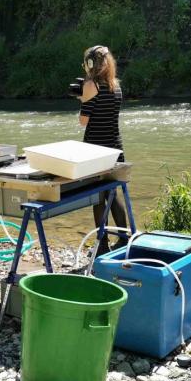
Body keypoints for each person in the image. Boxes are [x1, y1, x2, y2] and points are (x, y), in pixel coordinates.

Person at [77, 45, 128, 254]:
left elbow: (83, 121)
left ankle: (102, 245)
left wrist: (82, 100)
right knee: (113, 193)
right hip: (115, 148)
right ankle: (125, 239)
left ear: (90, 64)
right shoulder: (116, 85)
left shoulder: (91, 85)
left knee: (98, 197)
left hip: (95, 151)